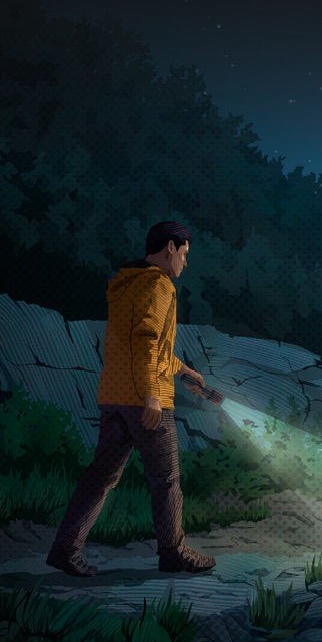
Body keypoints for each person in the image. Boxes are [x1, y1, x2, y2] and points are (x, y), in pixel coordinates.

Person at [46, 221, 217, 577]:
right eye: (184, 254)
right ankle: (173, 553)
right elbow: (147, 341)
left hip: (115, 395)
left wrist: (184, 372)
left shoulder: (126, 284)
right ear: (170, 247)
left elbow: (144, 345)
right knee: (166, 478)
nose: (184, 264)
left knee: (101, 475)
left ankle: (65, 548)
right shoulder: (159, 284)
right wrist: (153, 397)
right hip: (144, 399)